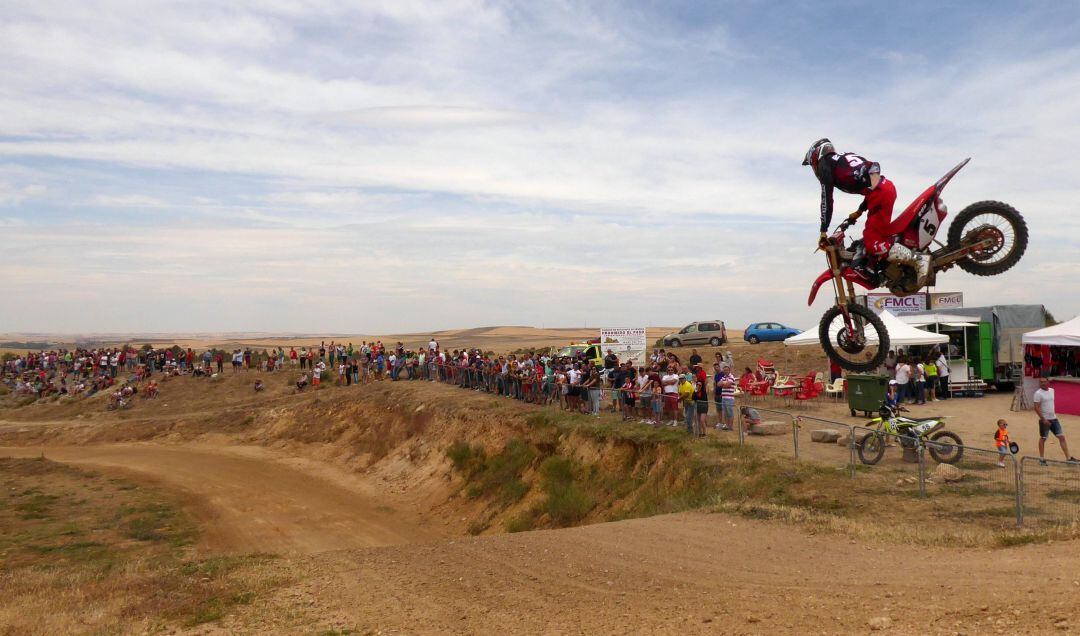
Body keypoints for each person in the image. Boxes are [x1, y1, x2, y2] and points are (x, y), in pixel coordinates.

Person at [804, 138, 929, 286]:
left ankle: (918, 260)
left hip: (880, 194)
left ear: (816, 155)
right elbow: (870, 180)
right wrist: (859, 211)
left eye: (812, 165)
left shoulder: (826, 163)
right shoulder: (842, 158)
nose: (814, 169)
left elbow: (827, 200)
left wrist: (823, 231)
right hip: (884, 188)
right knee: (868, 238)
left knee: (872, 243)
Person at [1034, 377, 1077, 463]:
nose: (1042, 383)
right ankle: (1041, 459)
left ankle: (1068, 458)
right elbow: (1036, 407)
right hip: (1045, 420)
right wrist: (1043, 419)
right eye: (1041, 382)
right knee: (1043, 438)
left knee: (1061, 437)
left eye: (1044, 382)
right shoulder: (1038, 393)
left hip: (1054, 418)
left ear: (1048, 382)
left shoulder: (1052, 390)